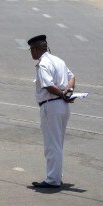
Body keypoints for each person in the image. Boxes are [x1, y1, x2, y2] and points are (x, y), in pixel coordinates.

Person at [28, 34, 75, 189]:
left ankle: (52, 180)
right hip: (63, 106)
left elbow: (47, 85)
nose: (31, 54)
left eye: (31, 50)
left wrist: (62, 93)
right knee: (58, 143)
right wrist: (68, 90)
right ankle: (56, 176)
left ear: (36, 49)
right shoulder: (58, 60)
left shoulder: (43, 64)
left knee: (51, 144)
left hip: (51, 106)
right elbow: (72, 77)